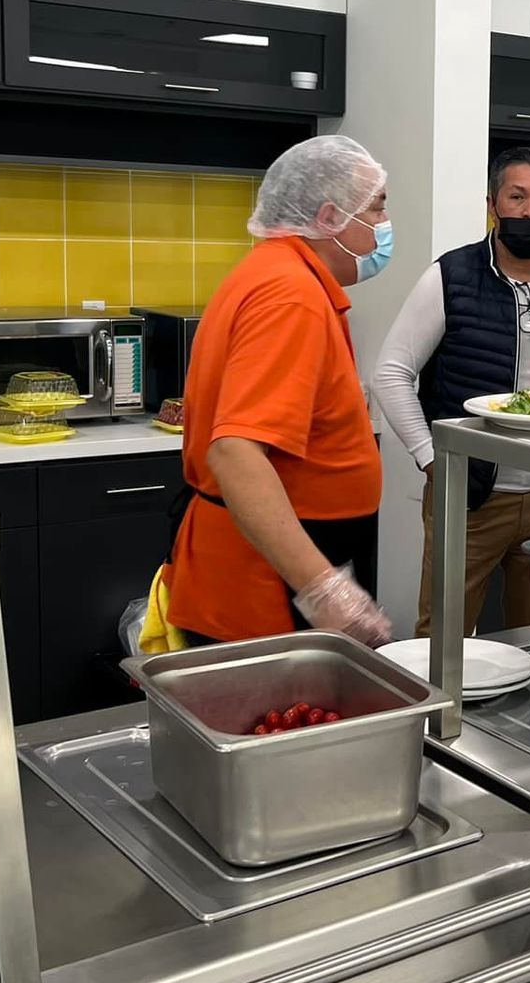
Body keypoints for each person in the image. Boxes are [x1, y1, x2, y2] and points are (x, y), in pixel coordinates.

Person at [373, 146, 530, 637]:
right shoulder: (451, 277)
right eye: (518, 197)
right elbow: (392, 372)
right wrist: (433, 460)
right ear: (493, 204)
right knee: (443, 637)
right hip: (469, 499)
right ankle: (440, 718)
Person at [160, 135, 394, 647]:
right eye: (377, 207)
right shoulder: (291, 296)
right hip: (264, 587)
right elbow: (237, 454)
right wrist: (324, 589)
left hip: (272, 566)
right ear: (331, 217)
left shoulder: (276, 274)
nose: (383, 225)